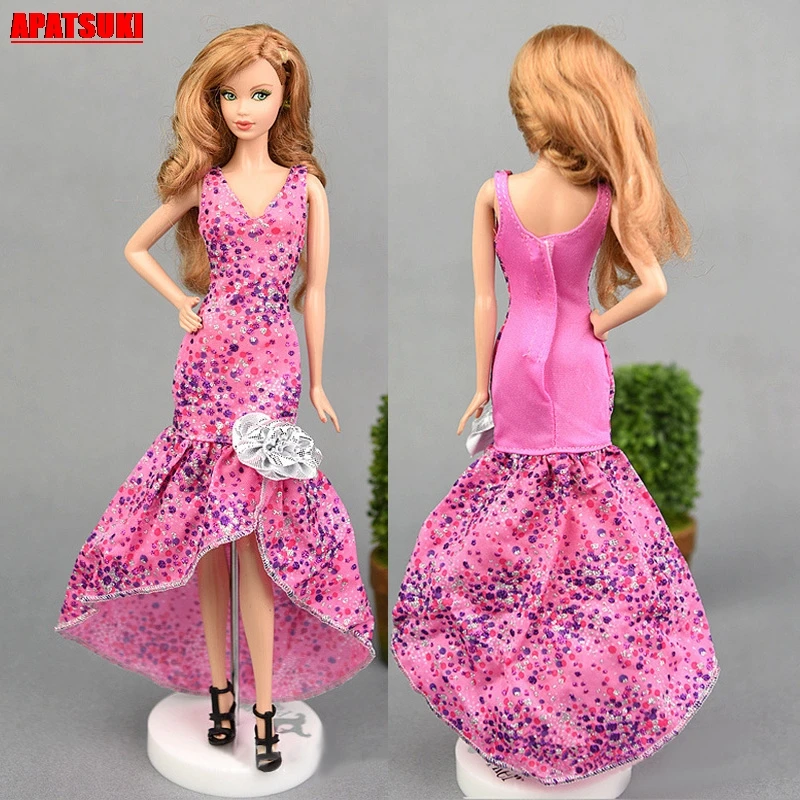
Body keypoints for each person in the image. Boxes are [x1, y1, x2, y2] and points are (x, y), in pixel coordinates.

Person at [391, 24, 719, 787]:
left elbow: (484, 300)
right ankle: (572, 698)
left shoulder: (496, 191)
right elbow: (655, 286)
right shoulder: (603, 198)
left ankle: (516, 694)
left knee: (514, 521)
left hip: (513, 359)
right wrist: (599, 323)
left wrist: (481, 382)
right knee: (588, 532)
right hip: (577, 362)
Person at [54, 23, 375, 772]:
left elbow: (315, 290)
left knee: (255, 540)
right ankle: (220, 691)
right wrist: (181, 301)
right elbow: (136, 246)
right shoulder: (205, 183)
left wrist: (318, 379)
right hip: (208, 360)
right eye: (230, 95)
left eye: (258, 93)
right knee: (208, 533)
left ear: (285, 96)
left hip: (272, 361)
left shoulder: (306, 188)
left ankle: (263, 707)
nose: (243, 108)